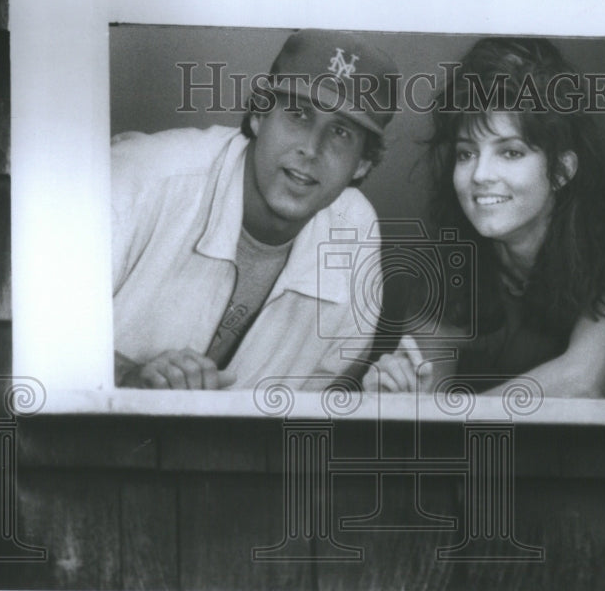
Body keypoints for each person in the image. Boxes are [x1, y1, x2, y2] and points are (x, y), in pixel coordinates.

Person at [112, 29, 399, 390]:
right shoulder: (142, 176)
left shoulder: (353, 233)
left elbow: (315, 406)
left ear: (362, 164)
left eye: (341, 132)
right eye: (298, 114)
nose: (311, 149)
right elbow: (23, 348)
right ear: (259, 116)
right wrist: (127, 381)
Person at [363, 37, 605, 398]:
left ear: (562, 170)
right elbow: (426, 402)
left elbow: (582, 380)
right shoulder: (446, 264)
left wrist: (450, 419)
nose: (480, 175)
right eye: (466, 154)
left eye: (510, 153)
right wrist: (396, 397)